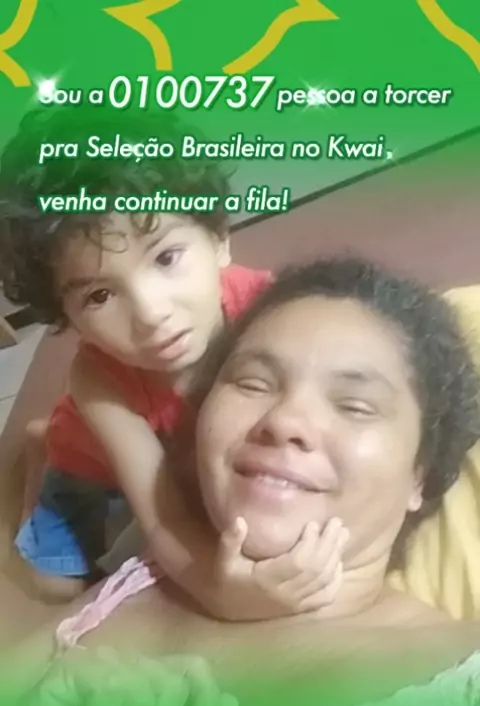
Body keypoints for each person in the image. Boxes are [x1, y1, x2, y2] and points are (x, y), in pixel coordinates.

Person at [4, 257, 480, 706]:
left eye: (354, 405)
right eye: (253, 383)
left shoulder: (461, 686)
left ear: (420, 474)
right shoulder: (138, 583)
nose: (285, 421)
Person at [0, 106, 346, 613]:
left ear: (218, 238)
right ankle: (36, 464)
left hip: (178, 449)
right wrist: (225, 594)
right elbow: (163, 518)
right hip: (91, 465)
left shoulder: (269, 310)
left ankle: (42, 436)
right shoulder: (97, 378)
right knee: (54, 588)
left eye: (166, 258)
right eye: (99, 295)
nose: (150, 314)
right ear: (65, 315)